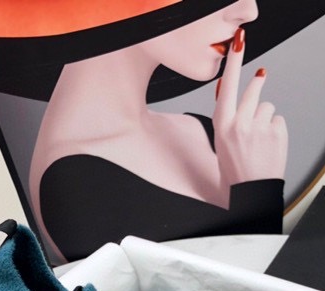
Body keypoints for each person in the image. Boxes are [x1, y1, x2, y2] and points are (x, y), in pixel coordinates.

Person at [30, 0, 288, 261]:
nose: (249, 11)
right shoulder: (75, 188)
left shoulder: (206, 132)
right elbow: (254, 285)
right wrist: (258, 194)